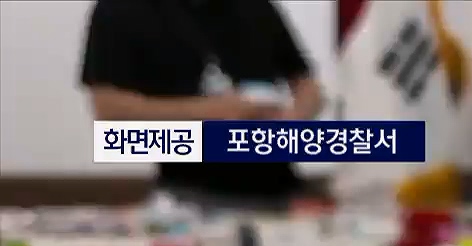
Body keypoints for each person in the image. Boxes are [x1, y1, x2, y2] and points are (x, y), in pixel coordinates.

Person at [80, 0, 326, 211]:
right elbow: (109, 109)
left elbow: (307, 86)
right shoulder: (121, 9)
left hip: (284, 191)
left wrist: (292, 121)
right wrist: (214, 111)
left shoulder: (256, 6)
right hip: (188, 193)